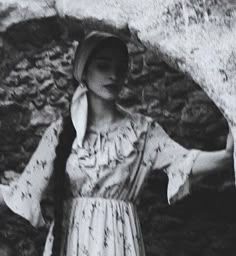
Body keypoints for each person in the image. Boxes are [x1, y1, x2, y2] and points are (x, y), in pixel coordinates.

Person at [0, 31, 234, 256]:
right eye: (103, 66)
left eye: (120, 68)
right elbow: (23, 189)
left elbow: (185, 162)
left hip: (121, 239)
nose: (113, 75)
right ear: (83, 70)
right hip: (71, 240)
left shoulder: (143, 130)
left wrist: (226, 156)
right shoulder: (60, 132)